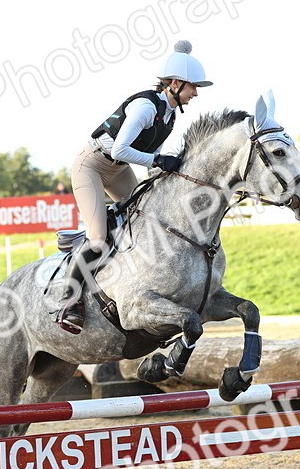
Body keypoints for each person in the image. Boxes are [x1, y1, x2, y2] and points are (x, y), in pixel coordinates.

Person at [55, 40, 211, 334]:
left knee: (146, 220)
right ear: (175, 83)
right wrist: (158, 160)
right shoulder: (144, 107)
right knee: (99, 237)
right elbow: (119, 150)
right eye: (193, 86)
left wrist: (169, 171)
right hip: (92, 166)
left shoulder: (169, 115)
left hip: (119, 170)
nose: (195, 93)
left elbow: (152, 161)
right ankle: (70, 300)